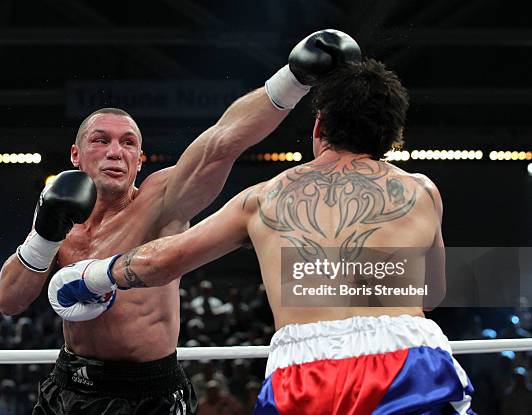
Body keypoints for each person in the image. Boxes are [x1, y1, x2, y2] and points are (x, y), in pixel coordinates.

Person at [50, 52, 476, 413]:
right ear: (391, 135)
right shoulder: (422, 190)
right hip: (409, 358)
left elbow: (162, 262)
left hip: (304, 370)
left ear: (318, 128)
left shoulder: (266, 197)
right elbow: (433, 293)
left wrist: (92, 276)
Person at [0, 29, 358, 414]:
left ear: (140, 158)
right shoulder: (58, 214)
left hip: (148, 394)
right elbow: (9, 301)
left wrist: (294, 78)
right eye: (101, 140)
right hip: (69, 384)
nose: (115, 152)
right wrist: (45, 235)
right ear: (76, 154)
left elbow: (222, 143)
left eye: (128, 143)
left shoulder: (161, 202)